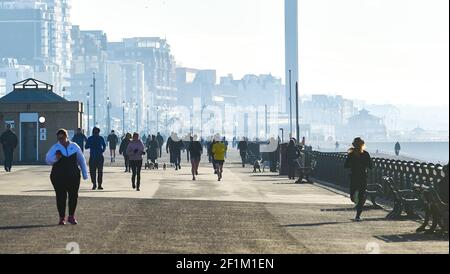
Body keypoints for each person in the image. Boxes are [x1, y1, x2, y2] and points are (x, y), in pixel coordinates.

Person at [46, 129, 88, 225]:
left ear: (66, 136)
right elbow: (48, 160)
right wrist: (56, 158)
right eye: (59, 138)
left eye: (62, 137)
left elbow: (81, 160)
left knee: (73, 196)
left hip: (73, 176)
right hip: (58, 176)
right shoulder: (55, 147)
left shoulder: (74, 146)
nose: (61, 140)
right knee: (61, 196)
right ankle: (62, 218)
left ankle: (71, 216)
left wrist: (85, 174)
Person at [345, 137, 373, 222]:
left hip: (354, 177)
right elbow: (371, 166)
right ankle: (358, 215)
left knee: (353, 195)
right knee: (360, 197)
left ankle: (357, 213)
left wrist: (353, 165)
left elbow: (345, 165)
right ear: (363, 145)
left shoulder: (351, 154)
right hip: (362, 177)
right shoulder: (365, 154)